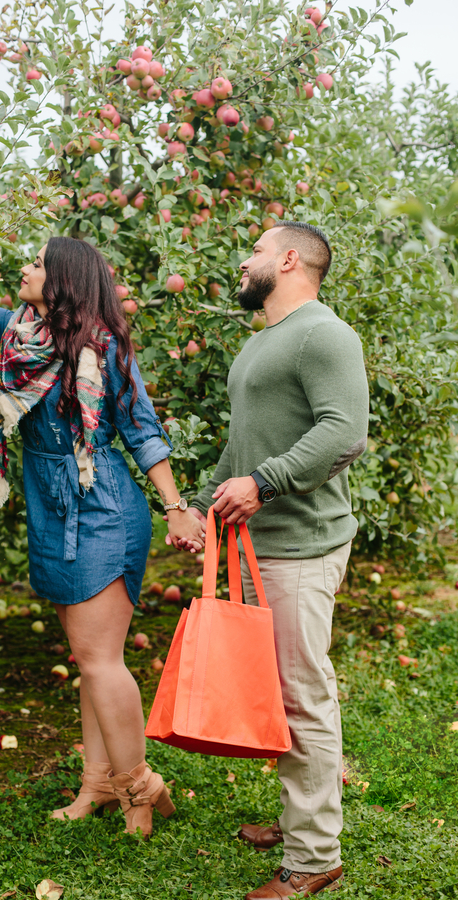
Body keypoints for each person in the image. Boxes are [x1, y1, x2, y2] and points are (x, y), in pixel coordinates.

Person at [0, 236, 205, 838]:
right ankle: (98, 781)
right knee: (91, 661)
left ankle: (140, 787)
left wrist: (175, 506)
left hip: (101, 507)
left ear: (63, 279)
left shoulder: (106, 348)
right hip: (52, 506)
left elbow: (142, 429)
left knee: (100, 660)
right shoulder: (19, 334)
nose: (24, 268)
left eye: (37, 263)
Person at [182, 222, 369, 898]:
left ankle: (315, 856)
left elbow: (345, 431)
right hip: (258, 548)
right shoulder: (263, 342)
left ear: (290, 259)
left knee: (301, 695)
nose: (244, 258)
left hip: (302, 544)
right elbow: (244, 446)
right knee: (278, 694)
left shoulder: (324, 334)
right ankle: (300, 821)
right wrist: (208, 508)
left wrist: (265, 484)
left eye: (255, 249)